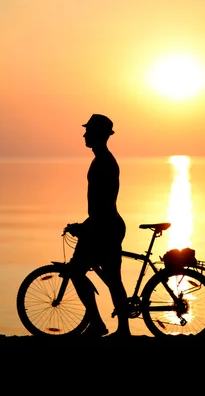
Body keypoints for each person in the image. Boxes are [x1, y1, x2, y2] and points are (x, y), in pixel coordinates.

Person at [63, 113, 130, 337]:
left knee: (83, 272)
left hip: (105, 226)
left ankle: (107, 325)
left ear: (99, 135)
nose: (84, 134)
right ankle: (113, 327)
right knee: (108, 278)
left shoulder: (104, 162)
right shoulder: (100, 159)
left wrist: (86, 227)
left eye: (88, 131)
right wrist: (86, 225)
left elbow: (104, 203)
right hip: (103, 224)